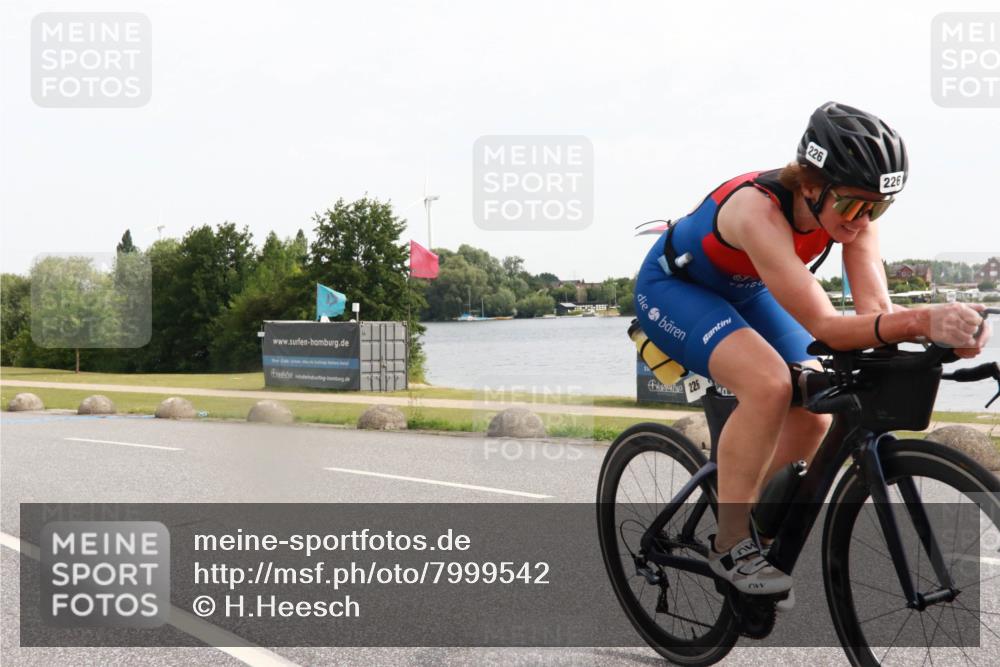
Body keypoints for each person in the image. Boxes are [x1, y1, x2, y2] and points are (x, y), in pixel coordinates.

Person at [633, 101, 992, 595]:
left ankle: (759, 522)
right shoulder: (755, 211)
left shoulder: (854, 215)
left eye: (878, 207)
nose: (862, 219)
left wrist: (936, 332)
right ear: (809, 183)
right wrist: (921, 319)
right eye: (851, 205)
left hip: (749, 288)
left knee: (817, 407)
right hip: (677, 289)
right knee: (768, 384)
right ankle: (730, 543)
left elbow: (873, 315)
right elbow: (827, 324)